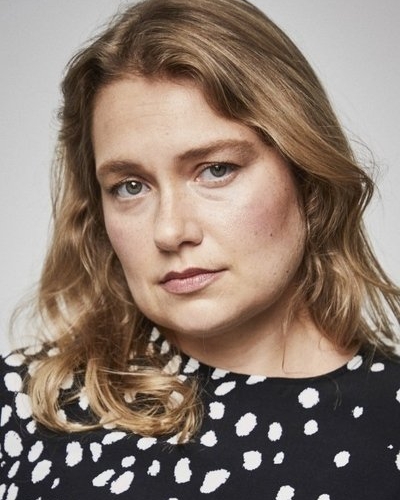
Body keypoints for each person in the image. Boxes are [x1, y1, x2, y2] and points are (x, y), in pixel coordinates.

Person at [1, 0, 399, 498]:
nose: (170, 231)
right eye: (130, 186)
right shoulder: (27, 406)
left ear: (307, 174)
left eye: (216, 170)